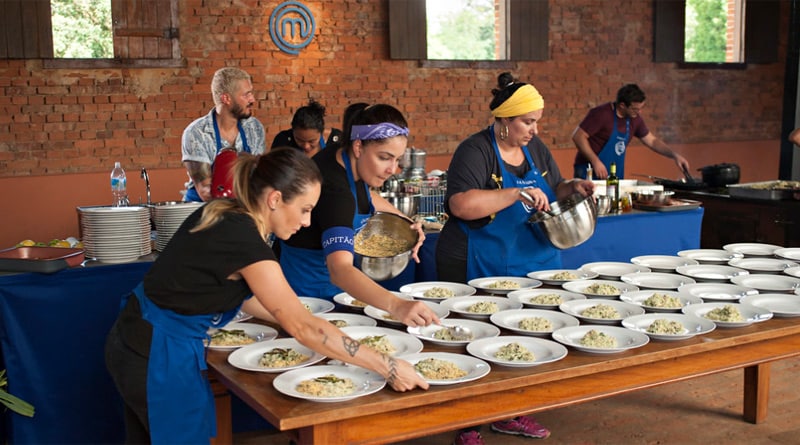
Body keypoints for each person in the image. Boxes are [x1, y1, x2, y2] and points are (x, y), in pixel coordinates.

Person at [104, 148, 429, 444]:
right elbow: (305, 329)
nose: (307, 222)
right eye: (304, 209)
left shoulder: (227, 213)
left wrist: (304, 321)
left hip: (139, 338)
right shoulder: (243, 239)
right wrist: (386, 365)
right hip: (158, 352)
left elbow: (240, 295)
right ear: (274, 199)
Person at [436, 72, 595, 445]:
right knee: (475, 338)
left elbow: (553, 188)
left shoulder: (535, 150)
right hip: (480, 261)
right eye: (527, 122)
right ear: (504, 120)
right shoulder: (475, 151)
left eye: (536, 121)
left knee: (523, 334)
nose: (534, 130)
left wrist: (572, 186)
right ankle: (468, 423)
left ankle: (512, 413)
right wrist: (511, 194)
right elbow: (460, 205)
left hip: (531, 258)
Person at [278, 103, 440, 327]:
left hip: (332, 293)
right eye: (384, 157)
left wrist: (407, 222)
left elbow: (370, 197)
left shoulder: (342, 159)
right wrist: (397, 305)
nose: (392, 169)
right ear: (358, 147)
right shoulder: (336, 193)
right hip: (309, 296)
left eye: (397, 160)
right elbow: (340, 270)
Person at [181, 67, 266, 202]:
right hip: (204, 211)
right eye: (246, 95)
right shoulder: (197, 133)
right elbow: (205, 191)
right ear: (226, 98)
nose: (253, 99)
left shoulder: (254, 128)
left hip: (243, 206)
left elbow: (257, 177)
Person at [571, 83, 690, 180]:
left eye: (641, 108)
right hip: (588, 171)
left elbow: (652, 141)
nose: (639, 112)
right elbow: (578, 136)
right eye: (635, 109)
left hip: (613, 174)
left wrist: (674, 155)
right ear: (622, 105)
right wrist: (595, 162)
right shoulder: (601, 114)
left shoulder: (635, 119)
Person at [270, 99, 343, 157]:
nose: (306, 146)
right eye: (299, 140)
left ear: (321, 132)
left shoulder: (337, 140)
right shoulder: (283, 140)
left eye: (312, 141)